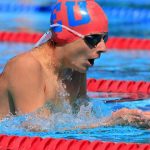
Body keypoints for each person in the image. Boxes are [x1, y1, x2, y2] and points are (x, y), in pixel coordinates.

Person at [0, 0, 149, 129]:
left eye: (105, 38)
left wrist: (132, 117)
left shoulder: (74, 68)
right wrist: (110, 122)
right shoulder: (26, 67)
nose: (103, 47)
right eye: (93, 39)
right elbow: (36, 130)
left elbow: (85, 114)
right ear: (63, 35)